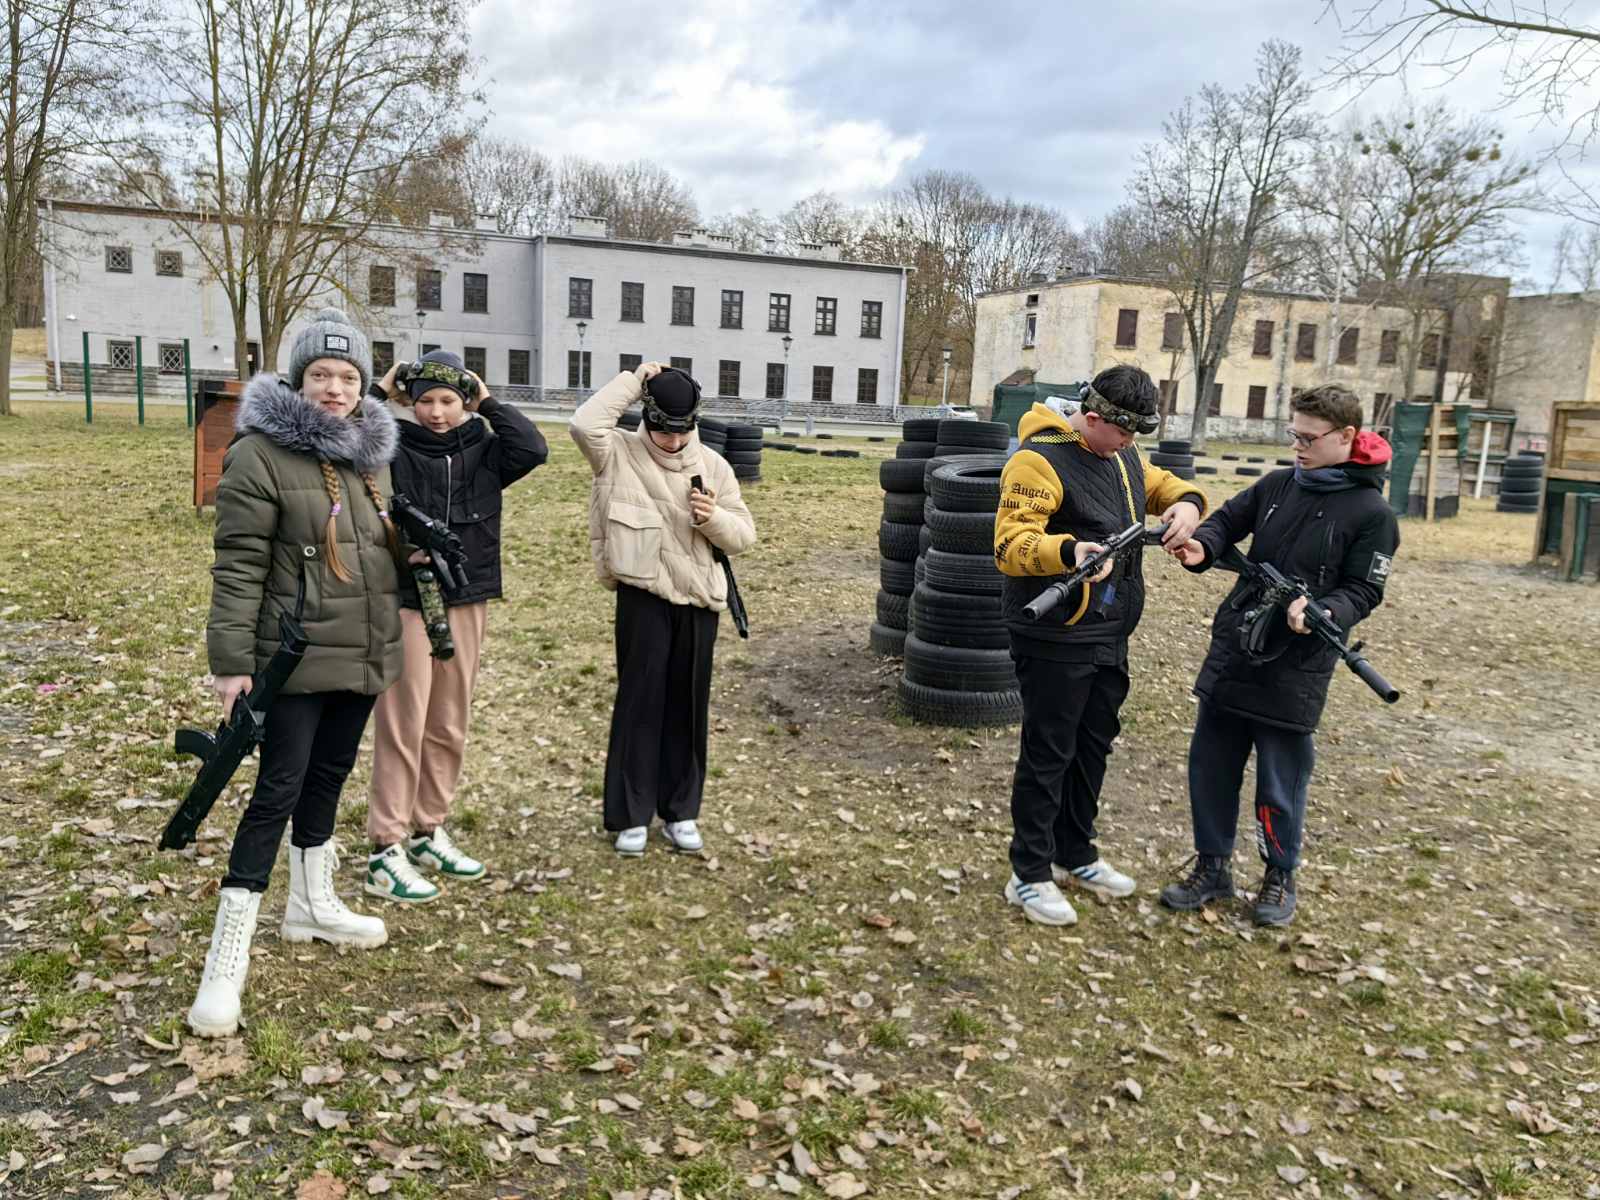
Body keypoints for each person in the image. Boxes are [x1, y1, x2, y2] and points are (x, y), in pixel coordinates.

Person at [189, 308, 403, 1038]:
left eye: (348, 377)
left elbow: (375, 554)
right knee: (275, 791)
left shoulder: (371, 459)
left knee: (329, 779)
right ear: (297, 380)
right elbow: (239, 565)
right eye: (321, 375)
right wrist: (231, 664)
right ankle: (228, 957)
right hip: (291, 658)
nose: (335, 389)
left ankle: (312, 905)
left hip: (363, 654)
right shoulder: (258, 455)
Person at [1160, 384, 1400, 927]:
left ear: (1346, 437)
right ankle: (1212, 867)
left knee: (1281, 780)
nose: (1298, 446)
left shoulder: (1373, 513)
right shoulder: (1276, 485)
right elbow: (1225, 522)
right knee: (1211, 766)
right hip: (1236, 648)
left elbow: (1365, 589)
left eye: (1309, 438)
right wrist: (1203, 547)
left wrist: (1325, 611)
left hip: (1296, 664)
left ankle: (1279, 874)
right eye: (1294, 434)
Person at [993, 365, 1206, 927]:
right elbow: (1011, 545)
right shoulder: (1036, 460)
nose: (1132, 447)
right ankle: (1030, 874)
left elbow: (1160, 485)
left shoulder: (1122, 454)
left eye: (1138, 437)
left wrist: (1186, 503)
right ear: (1092, 419)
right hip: (1054, 632)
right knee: (1049, 752)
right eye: (1126, 435)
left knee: (1093, 747)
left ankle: (1075, 853)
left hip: (1110, 629)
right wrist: (1069, 552)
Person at [362, 350, 549, 902]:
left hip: (466, 594)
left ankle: (427, 828)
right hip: (407, 599)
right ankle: (385, 845)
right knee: (404, 719)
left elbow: (533, 448)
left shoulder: (487, 450)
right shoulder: (392, 444)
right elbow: (346, 439)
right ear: (409, 401)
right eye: (425, 401)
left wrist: (488, 399)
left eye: (448, 401)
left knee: (449, 718)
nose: (437, 413)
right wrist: (380, 389)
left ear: (465, 401)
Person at [570, 361, 756, 857]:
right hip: (643, 596)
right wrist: (635, 379)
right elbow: (584, 423)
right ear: (645, 417)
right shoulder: (617, 453)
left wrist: (713, 518)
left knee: (687, 708)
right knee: (639, 704)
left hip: (700, 602)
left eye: (681, 431)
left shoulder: (714, 465)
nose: (671, 441)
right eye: (661, 429)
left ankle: (681, 811)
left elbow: (744, 535)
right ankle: (630, 814)